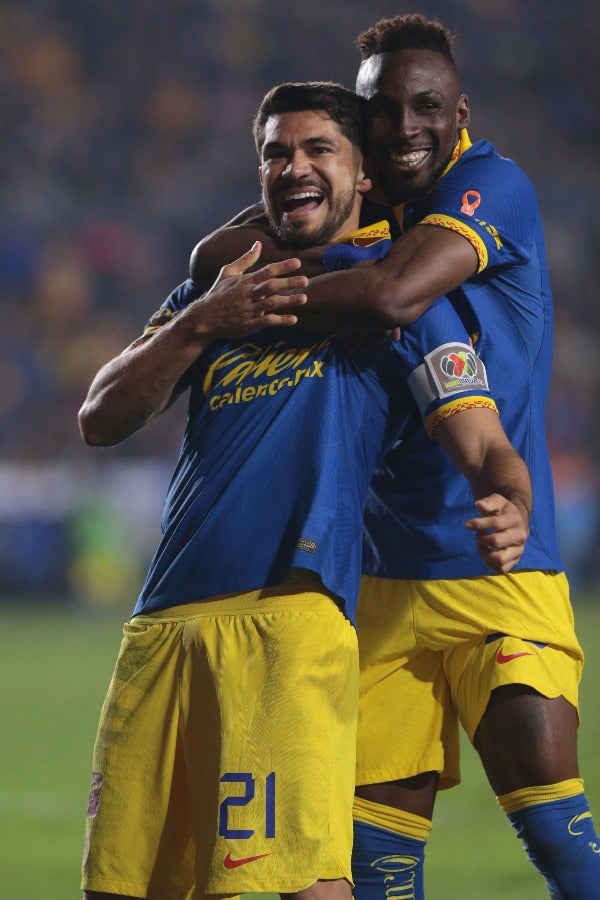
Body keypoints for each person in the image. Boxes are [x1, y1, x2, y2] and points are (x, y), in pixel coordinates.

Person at [78, 81, 530, 900]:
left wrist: (510, 501)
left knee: (300, 887)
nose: (294, 166)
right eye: (276, 152)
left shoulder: (395, 298)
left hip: (286, 623)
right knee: (117, 889)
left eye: (319, 148)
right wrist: (203, 321)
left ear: (362, 178)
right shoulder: (220, 294)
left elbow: (487, 440)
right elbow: (101, 415)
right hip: (159, 627)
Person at [297, 14, 599, 900]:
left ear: (458, 110)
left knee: (557, 834)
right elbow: (238, 243)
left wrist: (264, 294)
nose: (403, 128)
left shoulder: (491, 185)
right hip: (383, 585)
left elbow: (395, 293)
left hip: (500, 558)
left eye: (424, 106)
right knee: (379, 869)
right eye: (381, 112)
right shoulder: (349, 211)